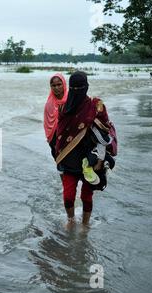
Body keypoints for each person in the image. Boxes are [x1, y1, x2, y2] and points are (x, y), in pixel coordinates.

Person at [55, 71, 113, 226]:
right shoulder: (63, 109)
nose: (78, 91)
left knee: (86, 196)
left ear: (87, 87)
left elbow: (106, 131)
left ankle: (85, 225)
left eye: (81, 87)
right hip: (69, 157)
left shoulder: (97, 106)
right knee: (68, 195)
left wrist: (100, 159)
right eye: (74, 88)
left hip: (91, 159)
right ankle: (71, 220)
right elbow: (59, 134)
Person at [44, 73, 68, 159]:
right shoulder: (49, 104)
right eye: (53, 85)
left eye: (59, 84)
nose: (56, 88)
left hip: (68, 136)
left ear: (64, 84)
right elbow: (47, 124)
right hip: (54, 138)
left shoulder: (70, 100)